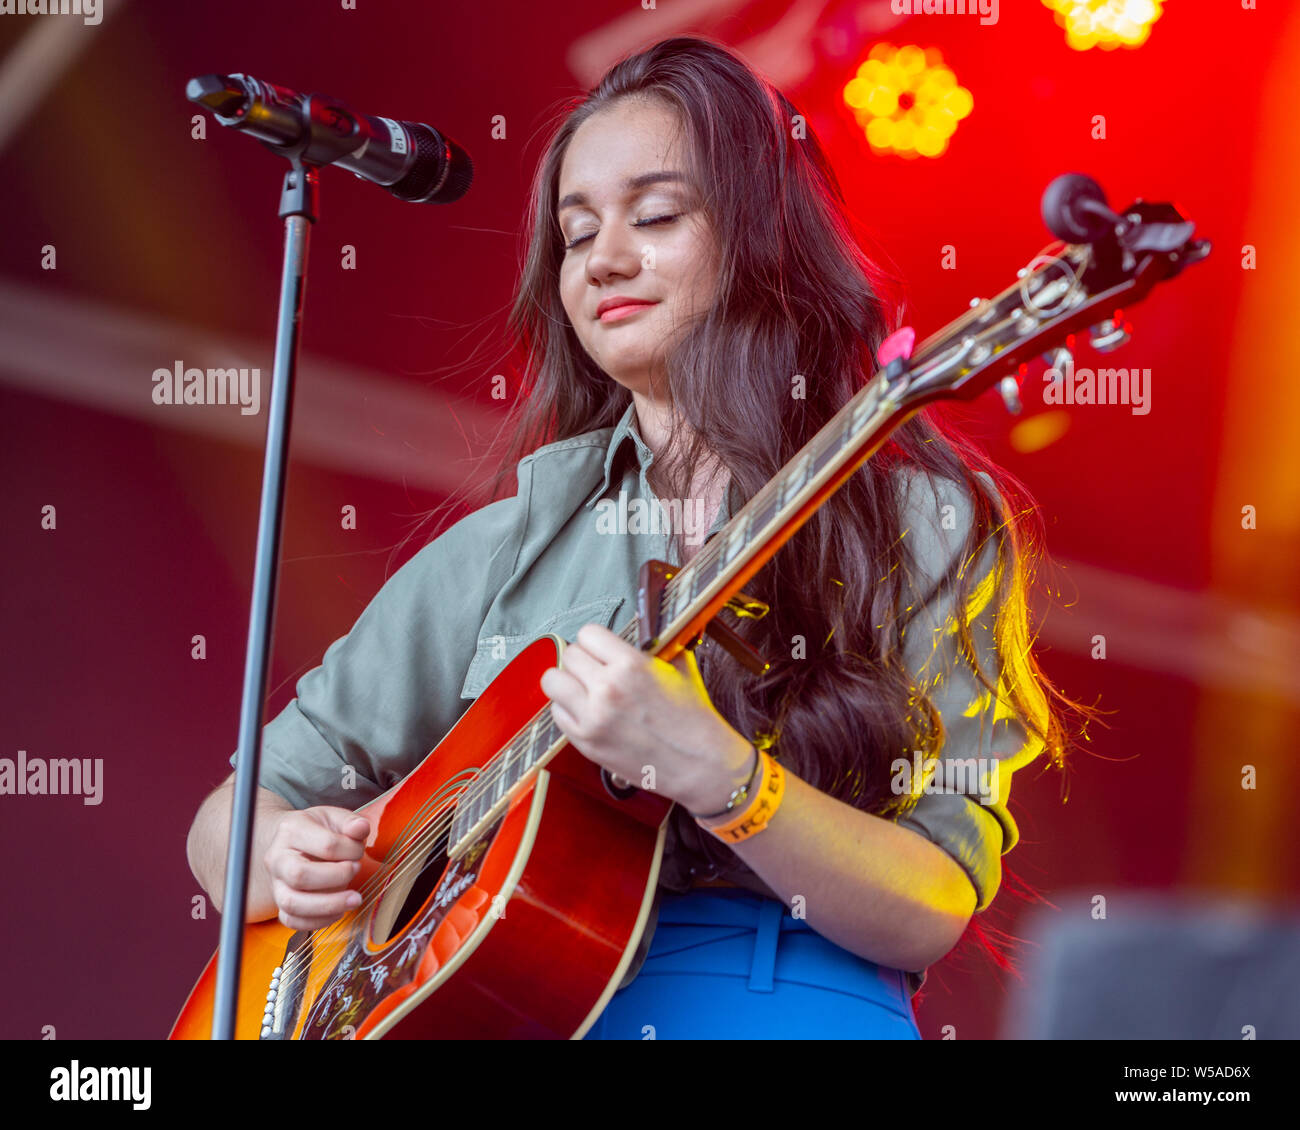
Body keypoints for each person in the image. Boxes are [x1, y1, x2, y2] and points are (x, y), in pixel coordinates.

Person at [186, 36, 1078, 1040]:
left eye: (655, 216)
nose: (604, 256)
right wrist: (280, 855)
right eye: (575, 234)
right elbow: (228, 819)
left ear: (762, 239)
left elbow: (931, 907)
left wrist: (722, 775)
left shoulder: (926, 524)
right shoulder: (497, 549)